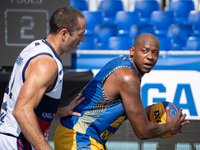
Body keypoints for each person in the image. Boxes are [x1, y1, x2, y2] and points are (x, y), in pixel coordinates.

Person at [54, 33, 190, 150]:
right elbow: (143, 132)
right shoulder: (127, 77)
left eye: (155, 53)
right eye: (145, 50)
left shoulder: (125, 66)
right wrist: (170, 127)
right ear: (132, 51)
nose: (150, 56)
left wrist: (144, 113)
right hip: (77, 138)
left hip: (82, 138)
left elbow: (110, 107)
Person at [0, 6, 86, 150]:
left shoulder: (35, 46)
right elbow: (21, 110)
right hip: (17, 143)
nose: (82, 39)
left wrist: (58, 111)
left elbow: (26, 100)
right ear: (64, 33)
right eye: (80, 34)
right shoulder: (47, 64)